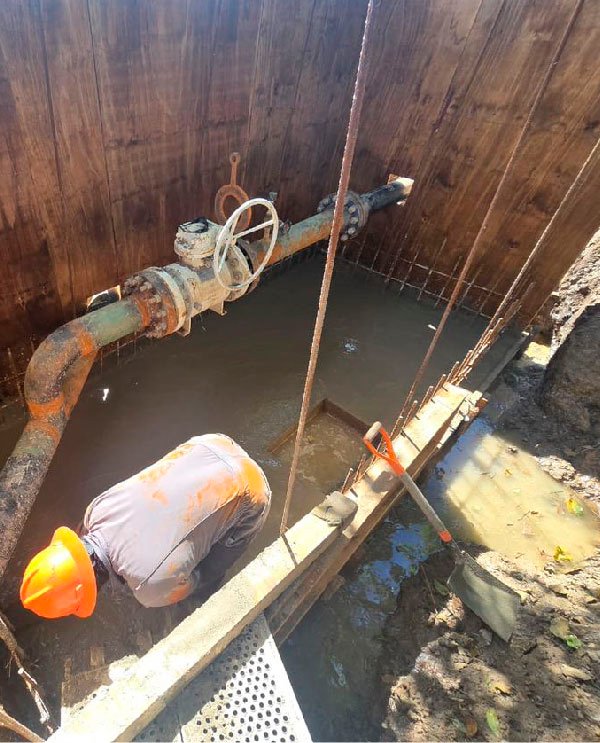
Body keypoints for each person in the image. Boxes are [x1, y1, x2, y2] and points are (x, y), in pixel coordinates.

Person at [20, 434, 271, 619]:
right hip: (209, 445)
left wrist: (168, 586)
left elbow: (194, 579)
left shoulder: (149, 590)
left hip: (250, 492)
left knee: (208, 575)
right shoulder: (95, 510)